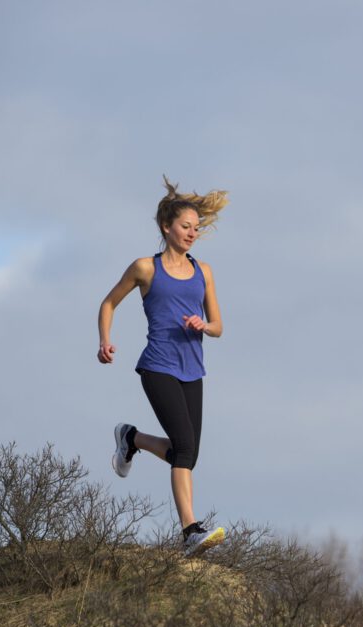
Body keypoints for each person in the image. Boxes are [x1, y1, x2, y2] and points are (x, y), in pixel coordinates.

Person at [96, 176, 229, 556]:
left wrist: (204, 325)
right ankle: (190, 531)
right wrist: (104, 340)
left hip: (193, 369)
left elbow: (219, 326)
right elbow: (108, 303)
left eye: (196, 229)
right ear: (166, 228)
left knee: (187, 453)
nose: (192, 234)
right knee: (185, 448)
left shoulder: (204, 271)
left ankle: (131, 437)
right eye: (186, 227)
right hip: (157, 366)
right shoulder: (145, 268)